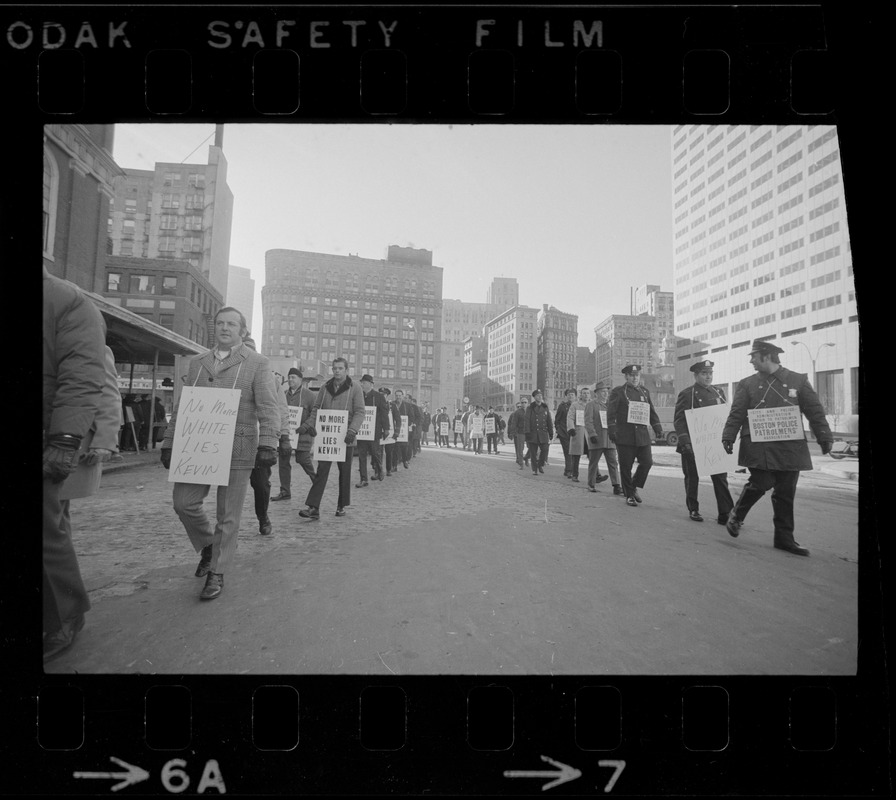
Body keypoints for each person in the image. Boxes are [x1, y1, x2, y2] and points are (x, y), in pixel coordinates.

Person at [161, 307, 280, 600]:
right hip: (198, 446)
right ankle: (209, 545)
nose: (224, 328)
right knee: (183, 503)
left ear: (243, 331)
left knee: (228, 514)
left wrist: (268, 443)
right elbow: (183, 405)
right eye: (220, 323)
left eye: (231, 324)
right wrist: (169, 441)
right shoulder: (197, 363)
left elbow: (267, 406)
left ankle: (217, 572)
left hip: (238, 447)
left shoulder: (258, 363)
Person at [43, 268, 110, 661]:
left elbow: (87, 381)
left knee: (47, 529)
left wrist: (67, 441)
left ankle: (64, 616)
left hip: (51, 435)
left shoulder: (68, 302)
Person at [721, 340, 833, 556]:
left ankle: (784, 538)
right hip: (758, 445)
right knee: (762, 481)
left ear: (767, 356)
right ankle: (737, 513)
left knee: (785, 492)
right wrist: (728, 435)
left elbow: (814, 410)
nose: (751, 361)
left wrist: (824, 436)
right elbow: (737, 412)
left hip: (790, 447)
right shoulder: (747, 384)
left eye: (754, 356)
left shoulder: (797, 380)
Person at [297, 357, 366, 519]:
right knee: (321, 471)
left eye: (340, 368)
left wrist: (352, 430)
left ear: (346, 370)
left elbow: (360, 412)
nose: (337, 371)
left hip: (346, 438)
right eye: (334, 368)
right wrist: (307, 425)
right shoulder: (325, 387)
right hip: (328, 437)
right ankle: (313, 507)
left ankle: (341, 505)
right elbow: (316, 409)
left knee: (345, 472)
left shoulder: (354, 388)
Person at [674, 360, 735, 524]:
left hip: (714, 444)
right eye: (704, 373)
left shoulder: (719, 392)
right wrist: (685, 442)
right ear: (696, 375)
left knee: (720, 478)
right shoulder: (688, 394)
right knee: (692, 478)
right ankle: (693, 509)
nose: (708, 377)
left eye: (710, 373)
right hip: (693, 444)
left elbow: (724, 416)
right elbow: (679, 420)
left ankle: (725, 513)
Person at [243, 336, 291, 536]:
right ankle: (227, 525)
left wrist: (284, 436)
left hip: (259, 441)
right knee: (227, 484)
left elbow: (279, 408)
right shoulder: (227, 375)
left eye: (251, 350)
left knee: (261, 484)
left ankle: (263, 517)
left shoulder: (270, 378)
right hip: (231, 439)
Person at [607, 364, 663, 508]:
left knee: (647, 462)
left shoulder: (644, 392)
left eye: (637, 375)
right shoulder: (618, 392)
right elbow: (611, 413)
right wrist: (612, 429)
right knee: (626, 466)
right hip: (625, 436)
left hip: (642, 436)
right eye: (632, 375)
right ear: (626, 377)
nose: (635, 378)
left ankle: (633, 485)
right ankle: (629, 495)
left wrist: (657, 427)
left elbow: (651, 410)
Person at [272, 368, 316, 500]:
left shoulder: (309, 395)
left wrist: (306, 426)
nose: (291, 380)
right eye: (289, 377)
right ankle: (285, 491)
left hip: (303, 435)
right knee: (284, 463)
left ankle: (318, 483)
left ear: (300, 380)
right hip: (286, 436)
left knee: (303, 460)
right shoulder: (283, 394)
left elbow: (315, 413)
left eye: (294, 377)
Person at [583, 381, 621, 494]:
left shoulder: (611, 405)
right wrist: (592, 434)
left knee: (613, 462)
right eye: (602, 391)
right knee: (594, 462)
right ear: (597, 393)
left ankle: (616, 485)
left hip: (610, 439)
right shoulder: (591, 405)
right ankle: (591, 484)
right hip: (597, 439)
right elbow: (588, 421)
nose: (605, 394)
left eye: (606, 391)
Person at [356, 374, 389, 486]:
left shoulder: (378, 397)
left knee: (375, 453)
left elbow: (384, 413)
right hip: (362, 431)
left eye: (364, 383)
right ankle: (363, 479)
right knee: (362, 455)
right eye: (361, 382)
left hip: (375, 431)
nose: (362, 384)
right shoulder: (358, 396)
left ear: (371, 384)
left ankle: (379, 469)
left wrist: (386, 428)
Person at [525, 389, 554, 474]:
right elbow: (527, 421)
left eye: (541, 395)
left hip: (543, 433)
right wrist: (527, 433)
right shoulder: (530, 407)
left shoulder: (545, 407)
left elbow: (549, 420)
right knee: (533, 453)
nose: (540, 397)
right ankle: (535, 470)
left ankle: (540, 464)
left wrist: (551, 432)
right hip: (533, 433)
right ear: (534, 397)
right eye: (538, 395)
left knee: (545, 450)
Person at [566, 387, 591, 482]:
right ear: (580, 394)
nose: (586, 395)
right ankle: (575, 475)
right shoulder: (575, 405)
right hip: (578, 432)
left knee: (592, 455)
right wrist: (571, 428)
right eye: (584, 393)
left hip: (589, 433)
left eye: (587, 393)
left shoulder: (591, 404)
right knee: (576, 455)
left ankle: (596, 475)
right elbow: (570, 417)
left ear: (590, 395)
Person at [554, 388, 576, 478]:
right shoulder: (562, 406)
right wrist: (559, 429)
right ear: (566, 396)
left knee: (574, 452)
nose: (571, 396)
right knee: (567, 452)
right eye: (569, 394)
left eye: (572, 394)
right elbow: (557, 420)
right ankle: (569, 471)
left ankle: (569, 470)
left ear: (575, 396)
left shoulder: (577, 406)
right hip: (564, 433)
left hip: (575, 433)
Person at [381, 387, 401, 475]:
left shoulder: (392, 406)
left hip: (390, 432)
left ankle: (388, 469)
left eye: (384, 394)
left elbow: (398, 419)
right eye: (381, 394)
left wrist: (397, 432)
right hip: (379, 432)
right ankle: (378, 469)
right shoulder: (376, 404)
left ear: (387, 395)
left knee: (389, 452)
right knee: (378, 451)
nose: (382, 396)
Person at [507, 400, 528, 469]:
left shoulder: (528, 412)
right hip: (517, 433)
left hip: (526, 432)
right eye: (518, 406)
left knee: (530, 447)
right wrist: (510, 433)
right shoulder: (514, 414)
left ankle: (525, 457)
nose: (520, 407)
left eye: (525, 403)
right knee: (519, 447)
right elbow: (510, 424)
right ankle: (519, 459)